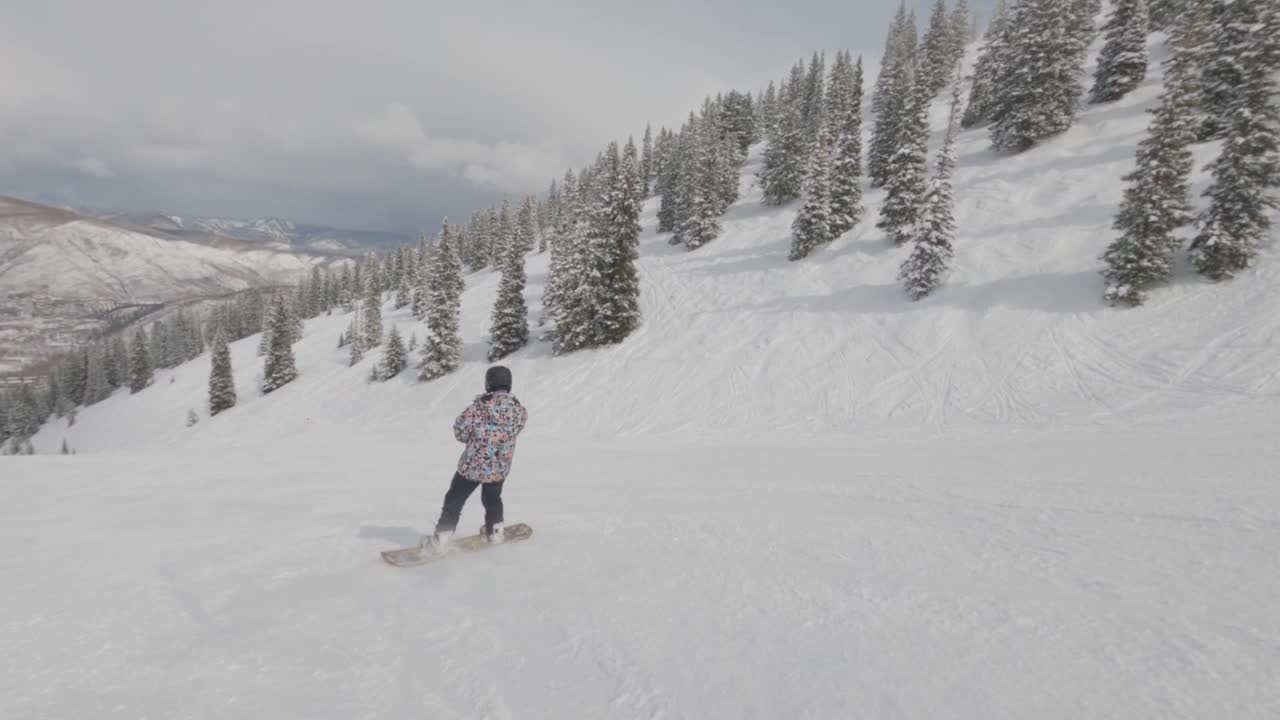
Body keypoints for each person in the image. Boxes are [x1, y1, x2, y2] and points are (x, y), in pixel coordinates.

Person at [423, 365, 528, 550]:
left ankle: (442, 538)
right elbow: (516, 429)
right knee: (492, 499)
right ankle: (495, 531)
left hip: (473, 467)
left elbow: (460, 431)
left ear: (488, 384)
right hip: (499, 468)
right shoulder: (519, 410)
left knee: (454, 499)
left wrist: (475, 438)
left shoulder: (477, 409)